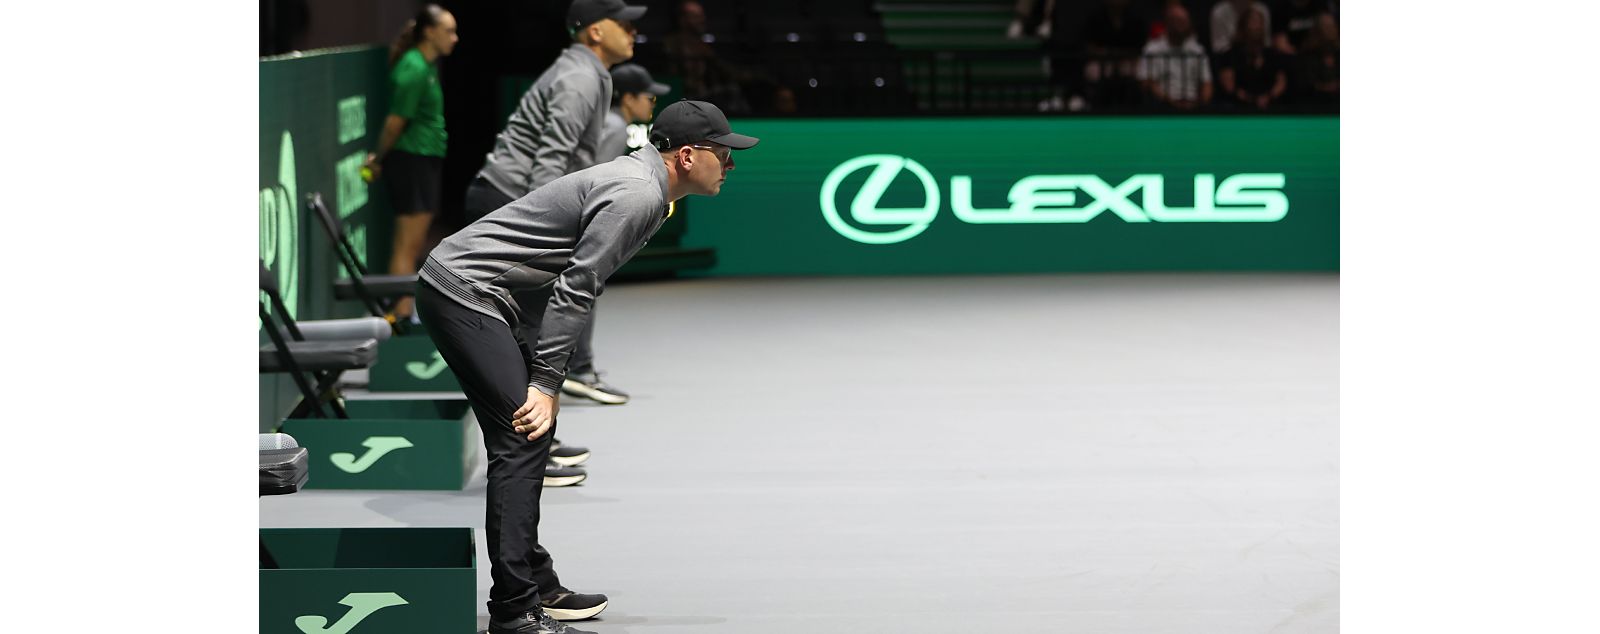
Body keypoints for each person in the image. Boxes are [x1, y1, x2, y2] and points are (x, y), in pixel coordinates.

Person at [415, 100, 758, 634]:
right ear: (688, 157)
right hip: (465, 292)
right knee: (523, 438)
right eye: (724, 153)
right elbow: (576, 289)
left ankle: (534, 581)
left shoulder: (647, 188)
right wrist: (547, 382)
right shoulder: (638, 194)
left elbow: (550, 269)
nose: (731, 164)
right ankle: (513, 610)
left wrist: (532, 359)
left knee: (524, 438)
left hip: (478, 293)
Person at [461, 0, 645, 223]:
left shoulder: (587, 72)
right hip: (507, 199)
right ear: (596, 32)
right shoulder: (581, 76)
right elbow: (552, 159)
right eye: (623, 25)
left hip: (506, 195)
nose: (633, 32)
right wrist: (541, 224)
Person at [555, 64, 672, 406]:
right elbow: (599, 179)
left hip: (567, 212)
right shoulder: (616, 127)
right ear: (627, 97)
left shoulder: (608, 122)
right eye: (647, 96)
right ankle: (579, 370)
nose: (652, 102)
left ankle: (576, 368)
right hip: (575, 218)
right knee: (582, 285)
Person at [362, 4, 457, 321]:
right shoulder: (413, 69)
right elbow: (394, 123)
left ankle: (402, 309)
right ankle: (398, 315)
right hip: (410, 160)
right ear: (429, 32)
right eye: (448, 31)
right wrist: (379, 158)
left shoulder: (426, 66)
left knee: (416, 243)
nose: (454, 38)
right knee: (406, 245)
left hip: (425, 158)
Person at [1138, 5, 1213, 110]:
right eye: (1178, 20)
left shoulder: (1197, 50)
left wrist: (1200, 103)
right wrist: (1171, 102)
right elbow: (1146, 81)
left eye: (1185, 21)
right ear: (1168, 22)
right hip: (1162, 106)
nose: (1182, 25)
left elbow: (1207, 83)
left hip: (1193, 105)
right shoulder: (1152, 49)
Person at [1216, 7, 1287, 110]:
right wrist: (1251, 100)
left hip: (1270, 108)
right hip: (1238, 109)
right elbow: (1229, 86)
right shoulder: (1230, 55)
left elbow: (1281, 82)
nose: (1257, 27)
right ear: (1243, 26)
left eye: (1260, 23)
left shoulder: (1273, 55)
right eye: (1253, 22)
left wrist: (1268, 97)